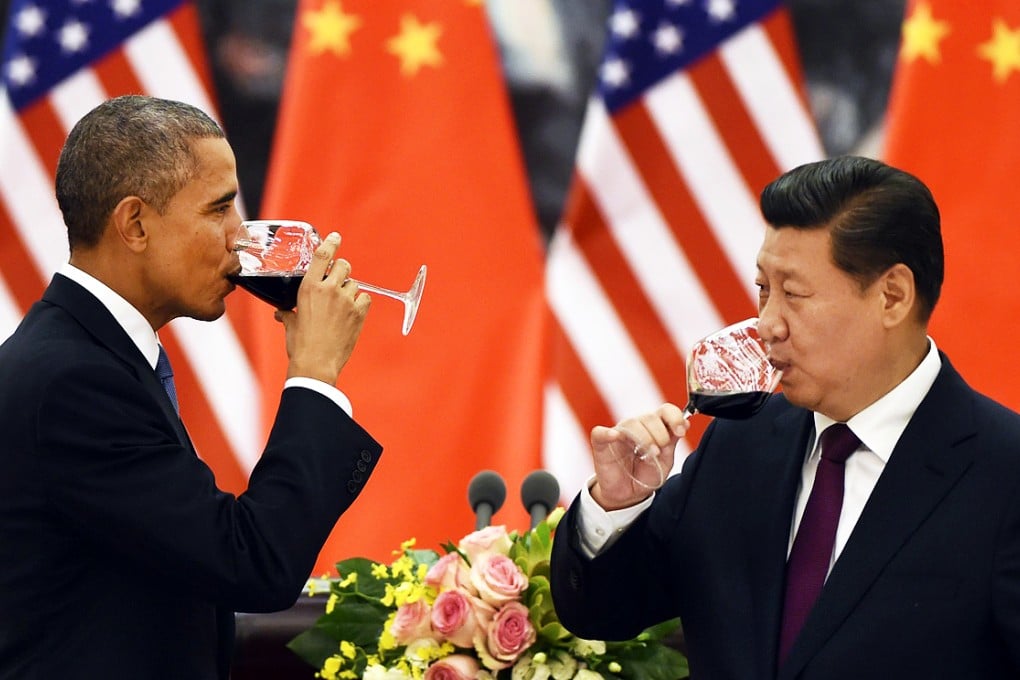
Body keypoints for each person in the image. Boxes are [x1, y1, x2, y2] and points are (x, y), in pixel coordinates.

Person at [550, 156, 1020, 678]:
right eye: (762, 289)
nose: (766, 324)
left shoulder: (1002, 473)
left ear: (892, 296)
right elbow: (603, 610)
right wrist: (617, 505)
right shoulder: (740, 443)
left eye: (793, 294)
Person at [0, 95, 381, 679]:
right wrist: (314, 375)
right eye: (219, 209)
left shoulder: (88, 355)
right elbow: (254, 564)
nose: (239, 237)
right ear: (134, 224)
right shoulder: (74, 382)